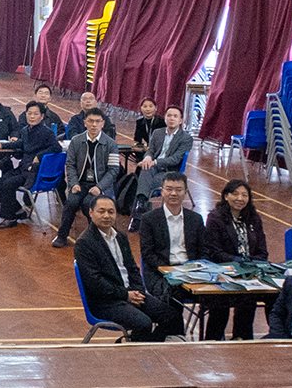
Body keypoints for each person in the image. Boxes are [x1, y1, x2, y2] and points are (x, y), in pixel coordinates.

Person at [73, 194, 181, 342]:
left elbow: (132, 268)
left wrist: (138, 291)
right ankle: (138, 350)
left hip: (130, 293)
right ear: (91, 213)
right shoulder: (84, 243)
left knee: (171, 316)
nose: (106, 216)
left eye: (111, 212)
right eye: (101, 211)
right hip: (105, 302)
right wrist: (125, 295)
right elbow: (95, 282)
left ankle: (150, 347)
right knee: (143, 323)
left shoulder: (121, 237)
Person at [203, 179, 270, 340]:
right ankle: (213, 340)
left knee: (258, 296)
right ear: (226, 196)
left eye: (244, 195)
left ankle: (243, 339)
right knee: (221, 300)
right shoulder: (215, 218)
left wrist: (251, 265)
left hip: (250, 273)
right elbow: (215, 252)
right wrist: (239, 263)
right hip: (224, 272)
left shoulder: (254, 218)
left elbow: (262, 252)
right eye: (235, 194)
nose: (240, 198)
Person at [136, 172, 201, 333]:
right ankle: (175, 335)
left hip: (191, 271)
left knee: (217, 296)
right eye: (169, 189)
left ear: (185, 192)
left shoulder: (196, 219)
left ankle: (215, 337)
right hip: (160, 273)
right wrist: (169, 270)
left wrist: (195, 268)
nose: (173, 193)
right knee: (173, 293)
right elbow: (148, 253)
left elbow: (203, 250)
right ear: (162, 191)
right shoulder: (149, 219)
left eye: (178, 190)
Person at [52, 109, 117, 248]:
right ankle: (62, 236)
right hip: (80, 184)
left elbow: (113, 170)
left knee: (89, 204)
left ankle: (96, 238)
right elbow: (70, 165)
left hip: (99, 185)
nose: (94, 125)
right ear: (85, 123)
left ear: (103, 123)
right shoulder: (76, 141)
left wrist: (99, 187)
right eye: (91, 121)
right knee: (71, 203)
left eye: (97, 121)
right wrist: (73, 183)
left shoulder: (111, 144)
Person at [0, 101, 62, 227]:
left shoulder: (47, 132)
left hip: (33, 172)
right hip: (23, 168)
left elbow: (57, 147)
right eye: (29, 113)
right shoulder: (25, 130)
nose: (32, 116)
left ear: (42, 116)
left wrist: (39, 156)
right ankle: (18, 211)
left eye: (35, 114)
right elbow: (20, 143)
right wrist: (2, 145)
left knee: (8, 184)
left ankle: (9, 218)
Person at [134, 105, 192, 214]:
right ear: (165, 118)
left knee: (143, 182)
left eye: (175, 116)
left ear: (180, 120)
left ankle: (140, 206)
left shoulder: (186, 138)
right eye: (169, 115)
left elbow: (175, 159)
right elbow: (151, 150)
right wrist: (147, 157)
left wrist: (154, 162)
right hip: (153, 167)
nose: (171, 118)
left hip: (170, 171)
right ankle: (141, 205)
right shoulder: (157, 133)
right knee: (145, 169)